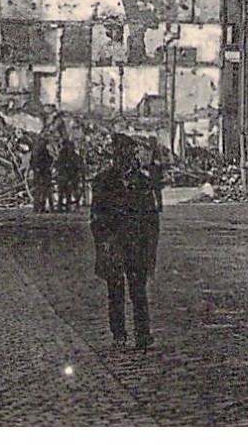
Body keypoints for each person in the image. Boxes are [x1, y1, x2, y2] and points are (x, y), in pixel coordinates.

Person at [90, 133, 161, 350]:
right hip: (114, 245)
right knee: (116, 292)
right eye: (121, 154)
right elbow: (96, 218)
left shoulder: (143, 183)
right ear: (115, 156)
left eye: (129, 154)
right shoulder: (103, 182)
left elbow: (151, 220)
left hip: (137, 245)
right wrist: (103, 243)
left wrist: (151, 251)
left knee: (138, 292)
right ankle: (118, 334)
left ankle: (142, 334)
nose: (126, 159)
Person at [57, 138, 84, 211]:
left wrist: (75, 176)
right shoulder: (62, 156)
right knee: (62, 186)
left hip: (73, 176)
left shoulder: (76, 157)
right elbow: (60, 167)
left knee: (73, 186)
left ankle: (71, 204)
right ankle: (61, 204)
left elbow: (79, 167)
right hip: (64, 176)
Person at [29, 135, 54, 213]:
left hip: (43, 172)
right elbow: (34, 162)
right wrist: (38, 169)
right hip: (40, 173)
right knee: (40, 190)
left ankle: (40, 207)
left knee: (43, 190)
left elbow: (48, 159)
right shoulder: (38, 151)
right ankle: (38, 208)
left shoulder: (42, 151)